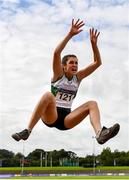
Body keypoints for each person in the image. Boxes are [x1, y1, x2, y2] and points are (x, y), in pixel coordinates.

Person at [12, 19, 120, 144]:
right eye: (71, 62)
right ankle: (27, 131)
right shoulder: (59, 75)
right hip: (51, 115)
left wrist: (94, 45)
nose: (75, 65)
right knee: (48, 95)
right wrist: (70, 34)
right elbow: (57, 53)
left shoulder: (78, 78)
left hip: (67, 119)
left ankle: (100, 134)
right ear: (63, 66)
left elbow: (97, 63)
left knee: (92, 103)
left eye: (76, 63)